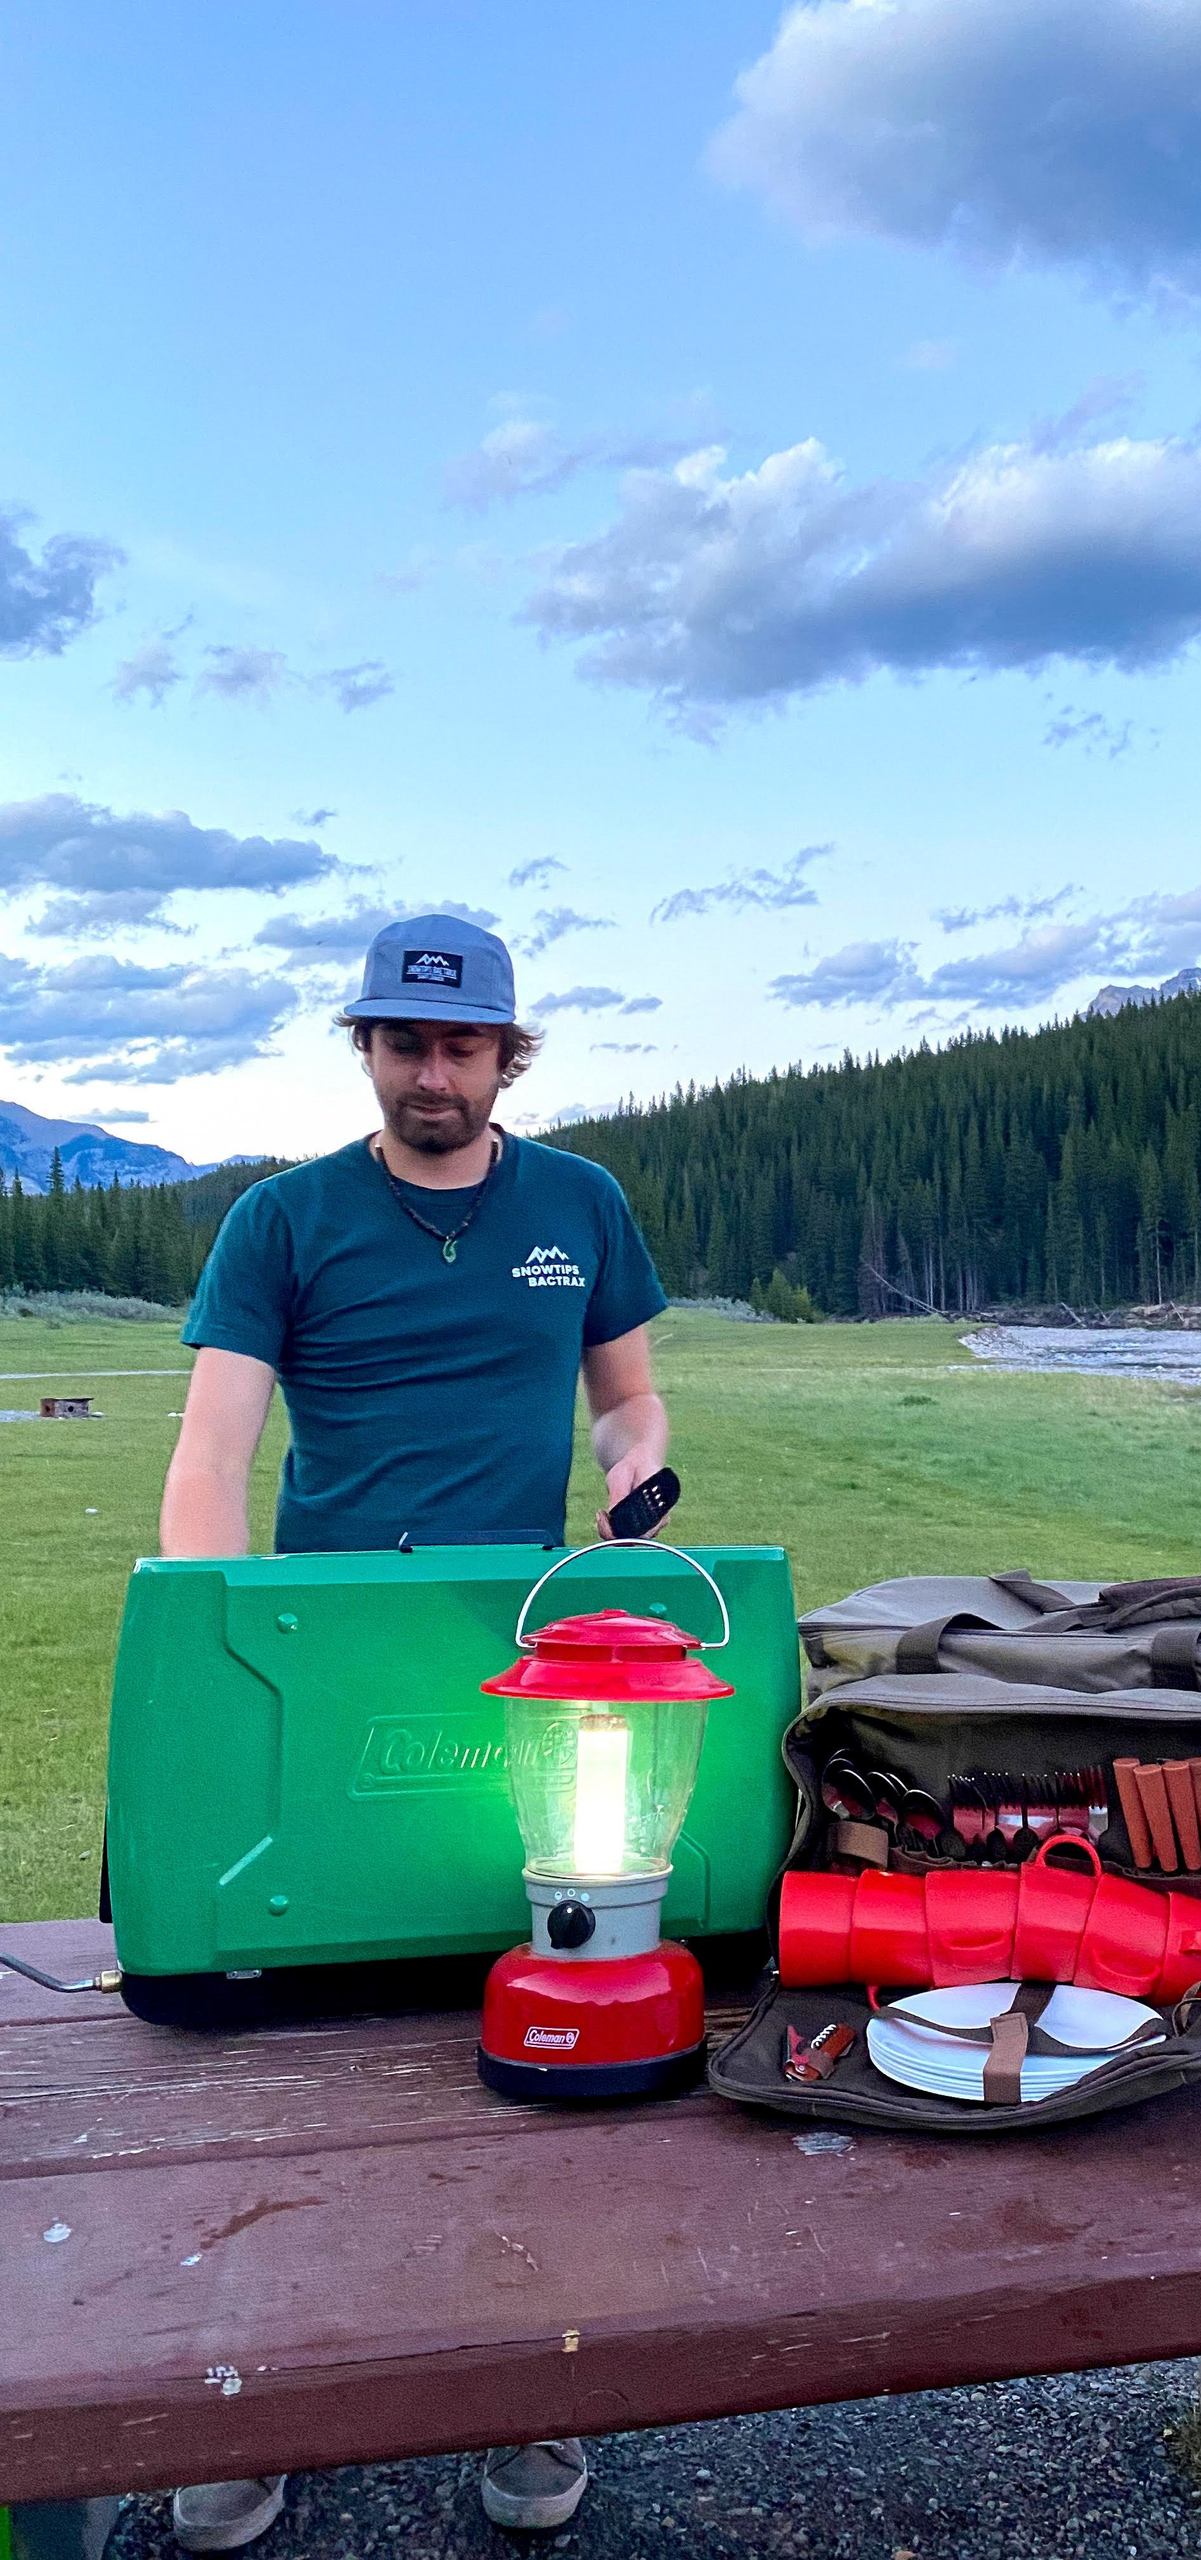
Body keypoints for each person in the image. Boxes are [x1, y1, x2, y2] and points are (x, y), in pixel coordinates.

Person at [158, 912, 670, 2549]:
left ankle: (532, 2393)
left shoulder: (580, 1204)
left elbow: (630, 1397)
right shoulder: (282, 1218)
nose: (429, 1072)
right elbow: (214, 1446)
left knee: (532, 2018)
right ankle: (259, 2402)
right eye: (401, 1042)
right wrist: (204, 1636)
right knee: (286, 2051)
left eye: (459, 1045)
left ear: (506, 1054)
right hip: (323, 1651)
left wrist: (630, 1474)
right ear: (366, 1048)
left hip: (523, 1655)